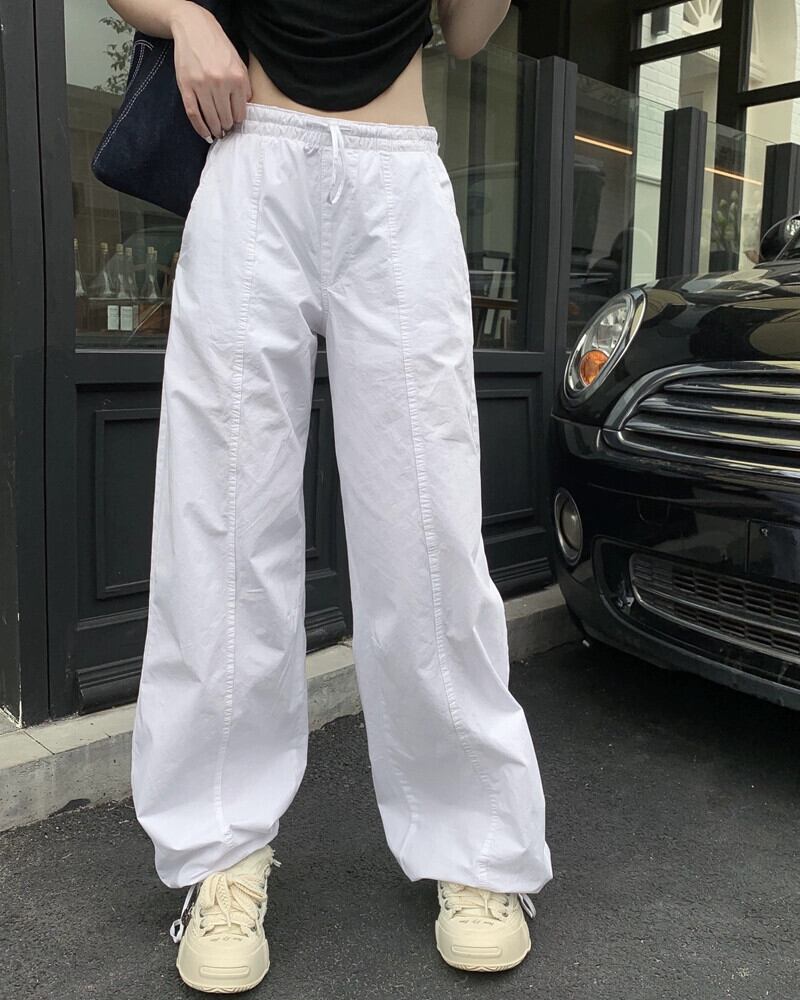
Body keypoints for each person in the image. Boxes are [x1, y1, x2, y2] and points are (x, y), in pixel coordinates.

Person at [108, 0, 553, 992]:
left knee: (427, 528)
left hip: (396, 174)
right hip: (250, 154)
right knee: (220, 520)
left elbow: (467, 32)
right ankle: (220, 853)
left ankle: (476, 846)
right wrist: (183, 16)